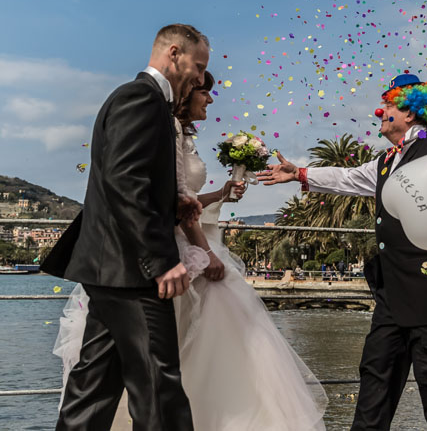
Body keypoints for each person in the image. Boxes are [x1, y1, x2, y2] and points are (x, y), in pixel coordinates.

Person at [54, 71, 328, 430]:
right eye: (204, 90)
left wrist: (219, 195)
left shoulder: (179, 133)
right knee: (161, 369)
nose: (210, 100)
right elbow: (163, 203)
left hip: (155, 256)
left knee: (124, 370)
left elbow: (180, 199)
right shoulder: (159, 122)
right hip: (166, 256)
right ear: (188, 92)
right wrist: (206, 253)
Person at [258, 73, 427, 431]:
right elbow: (347, 178)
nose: (380, 112)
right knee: (375, 378)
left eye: (388, 105)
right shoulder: (385, 161)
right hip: (391, 293)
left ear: (410, 112)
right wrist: (298, 173)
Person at [43, 24, 208, 430]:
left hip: (110, 270)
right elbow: (124, 181)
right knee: (159, 391)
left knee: (92, 392)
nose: (202, 78)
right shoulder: (142, 98)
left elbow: (129, 179)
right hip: (133, 273)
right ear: (174, 53)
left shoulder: (141, 100)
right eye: (199, 66)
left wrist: (174, 201)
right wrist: (160, 259)